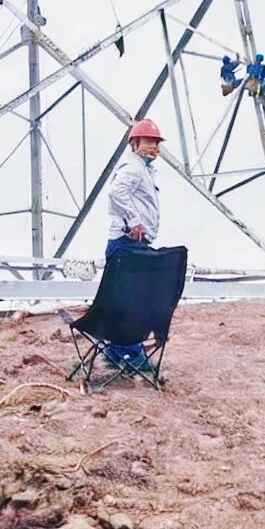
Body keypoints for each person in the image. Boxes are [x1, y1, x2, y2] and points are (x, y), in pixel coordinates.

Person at [103, 118, 164, 371]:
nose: (155, 148)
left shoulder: (144, 169)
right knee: (134, 300)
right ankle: (130, 352)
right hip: (127, 243)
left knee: (125, 298)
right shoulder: (133, 167)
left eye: (157, 143)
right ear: (135, 143)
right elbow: (116, 191)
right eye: (150, 142)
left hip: (129, 244)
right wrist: (135, 221)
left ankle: (117, 350)